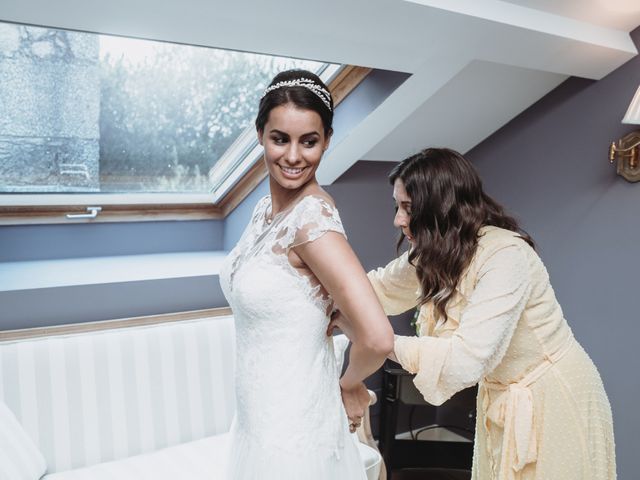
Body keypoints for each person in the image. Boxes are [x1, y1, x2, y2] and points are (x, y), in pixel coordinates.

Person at [329, 148, 616, 479]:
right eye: (397, 206)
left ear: (440, 206)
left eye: (408, 207)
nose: (397, 219)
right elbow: (374, 290)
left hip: (553, 399)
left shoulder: (506, 256)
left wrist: (379, 340)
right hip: (500, 395)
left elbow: (466, 359)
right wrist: (319, 292)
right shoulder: (433, 256)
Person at [219, 69, 394, 479]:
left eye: (309, 141)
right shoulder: (266, 210)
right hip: (257, 419)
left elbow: (378, 336)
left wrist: (350, 383)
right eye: (280, 138)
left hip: (293, 430)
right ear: (260, 134)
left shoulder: (312, 221)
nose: (294, 156)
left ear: (327, 140)